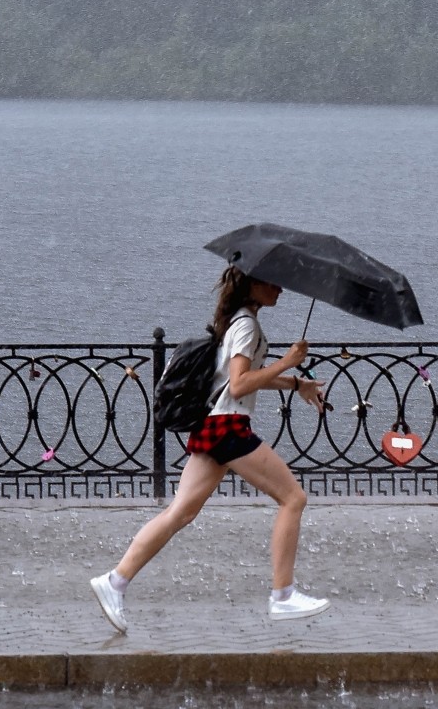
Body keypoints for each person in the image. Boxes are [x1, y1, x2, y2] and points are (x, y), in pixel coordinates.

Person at [90, 267, 331, 632]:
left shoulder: (236, 321)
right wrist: (288, 363)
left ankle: (115, 582)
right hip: (228, 428)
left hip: (214, 425)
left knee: (179, 513)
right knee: (293, 499)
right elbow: (238, 385)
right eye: (272, 282)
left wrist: (296, 383)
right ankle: (283, 596)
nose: (280, 288)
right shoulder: (246, 326)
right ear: (252, 286)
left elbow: (236, 381)